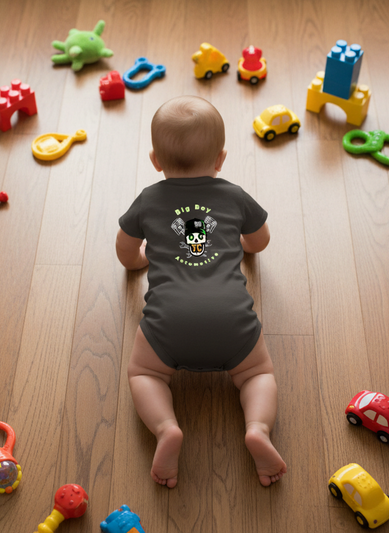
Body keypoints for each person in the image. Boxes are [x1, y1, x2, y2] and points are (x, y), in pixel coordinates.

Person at [115, 96, 286, 488]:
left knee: (144, 373)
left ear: (156, 160)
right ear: (220, 159)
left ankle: (166, 429)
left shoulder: (147, 200)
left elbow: (125, 249)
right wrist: (238, 245)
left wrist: (138, 261)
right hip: (232, 319)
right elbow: (259, 241)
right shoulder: (234, 195)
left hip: (167, 323)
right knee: (257, 372)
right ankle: (257, 429)